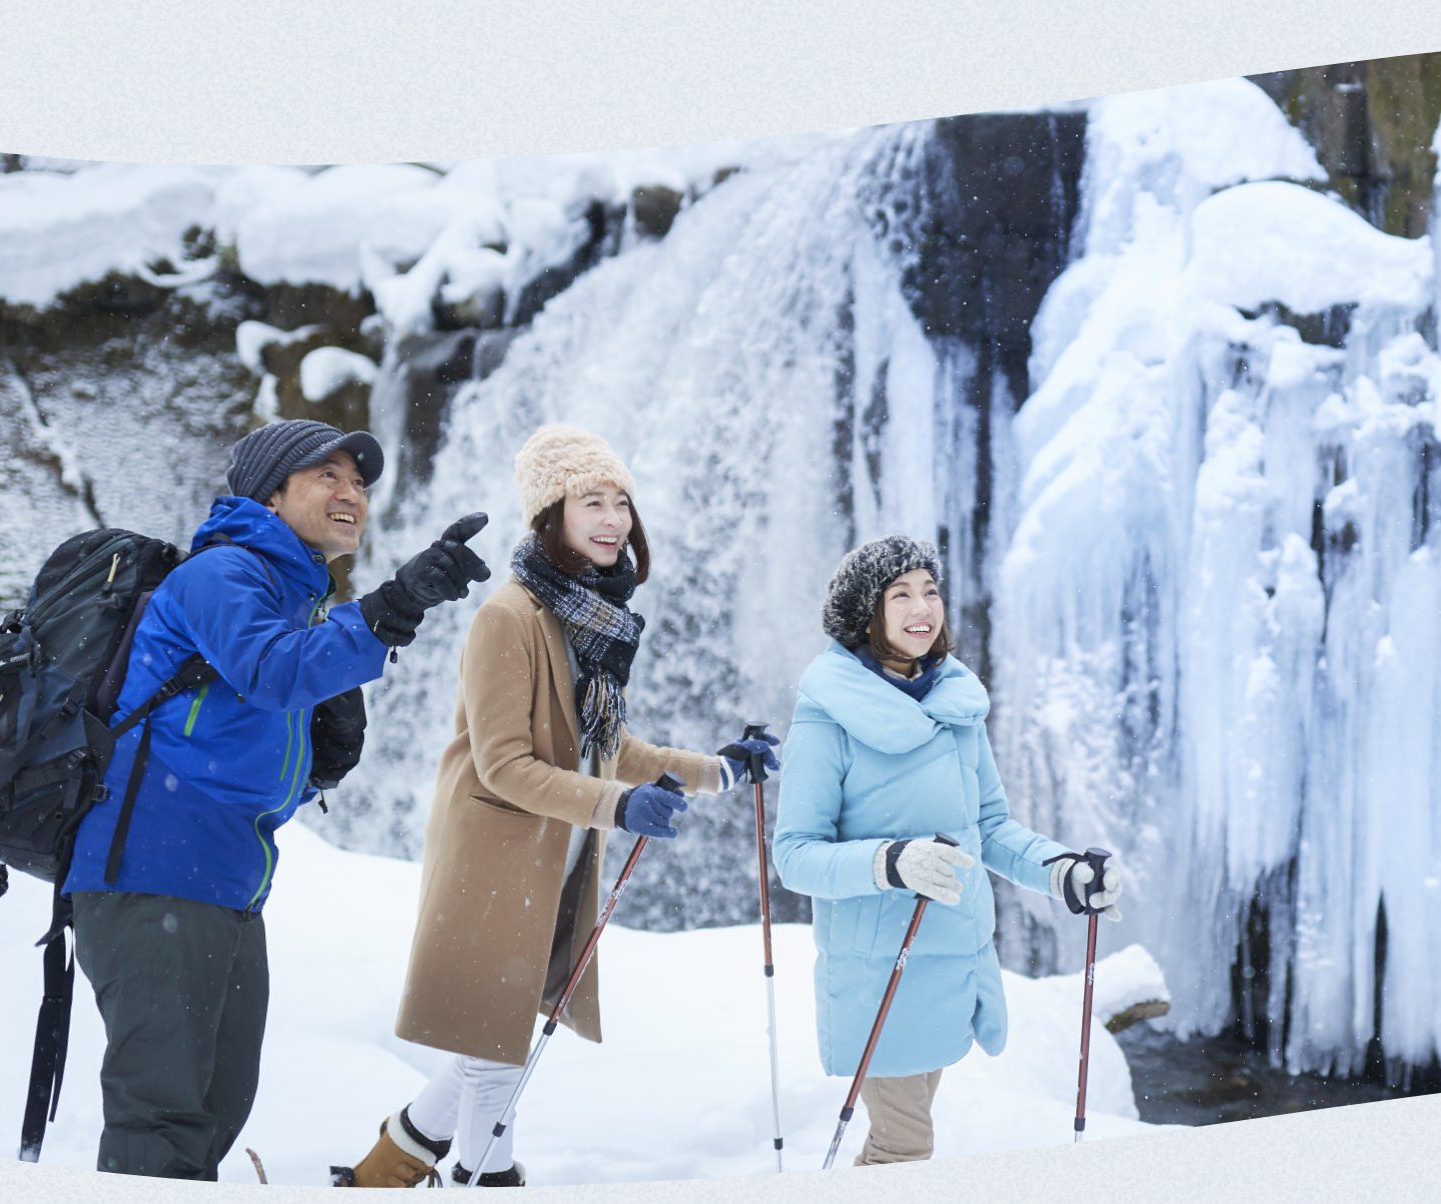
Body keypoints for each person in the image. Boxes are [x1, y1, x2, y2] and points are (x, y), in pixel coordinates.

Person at [337, 425, 782, 1188]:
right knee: (494, 1056)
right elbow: (505, 765)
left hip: (554, 862)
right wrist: (618, 807)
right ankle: (488, 1179)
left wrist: (719, 771)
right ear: (552, 513)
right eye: (591, 502)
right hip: (495, 864)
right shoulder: (508, 617)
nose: (613, 520)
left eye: (620, 502)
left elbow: (608, 747)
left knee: (488, 1044)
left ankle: (389, 1166)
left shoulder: (586, 620)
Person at [65, 418, 492, 1180]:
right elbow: (269, 672)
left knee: (215, 1108)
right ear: (270, 492)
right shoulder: (222, 574)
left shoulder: (294, 600)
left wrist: (318, 765)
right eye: (326, 475)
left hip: (226, 883)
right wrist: (393, 606)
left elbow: (243, 731)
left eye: (359, 483)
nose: (351, 493)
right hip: (153, 871)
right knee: (158, 1116)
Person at [773, 535, 1128, 1166]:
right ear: (867, 613)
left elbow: (988, 826)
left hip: (953, 957)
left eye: (930, 591)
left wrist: (1060, 871)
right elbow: (796, 855)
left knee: (895, 1146)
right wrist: (889, 863)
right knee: (904, 1147)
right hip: (883, 966)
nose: (923, 607)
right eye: (901, 593)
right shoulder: (827, 715)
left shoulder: (954, 703)